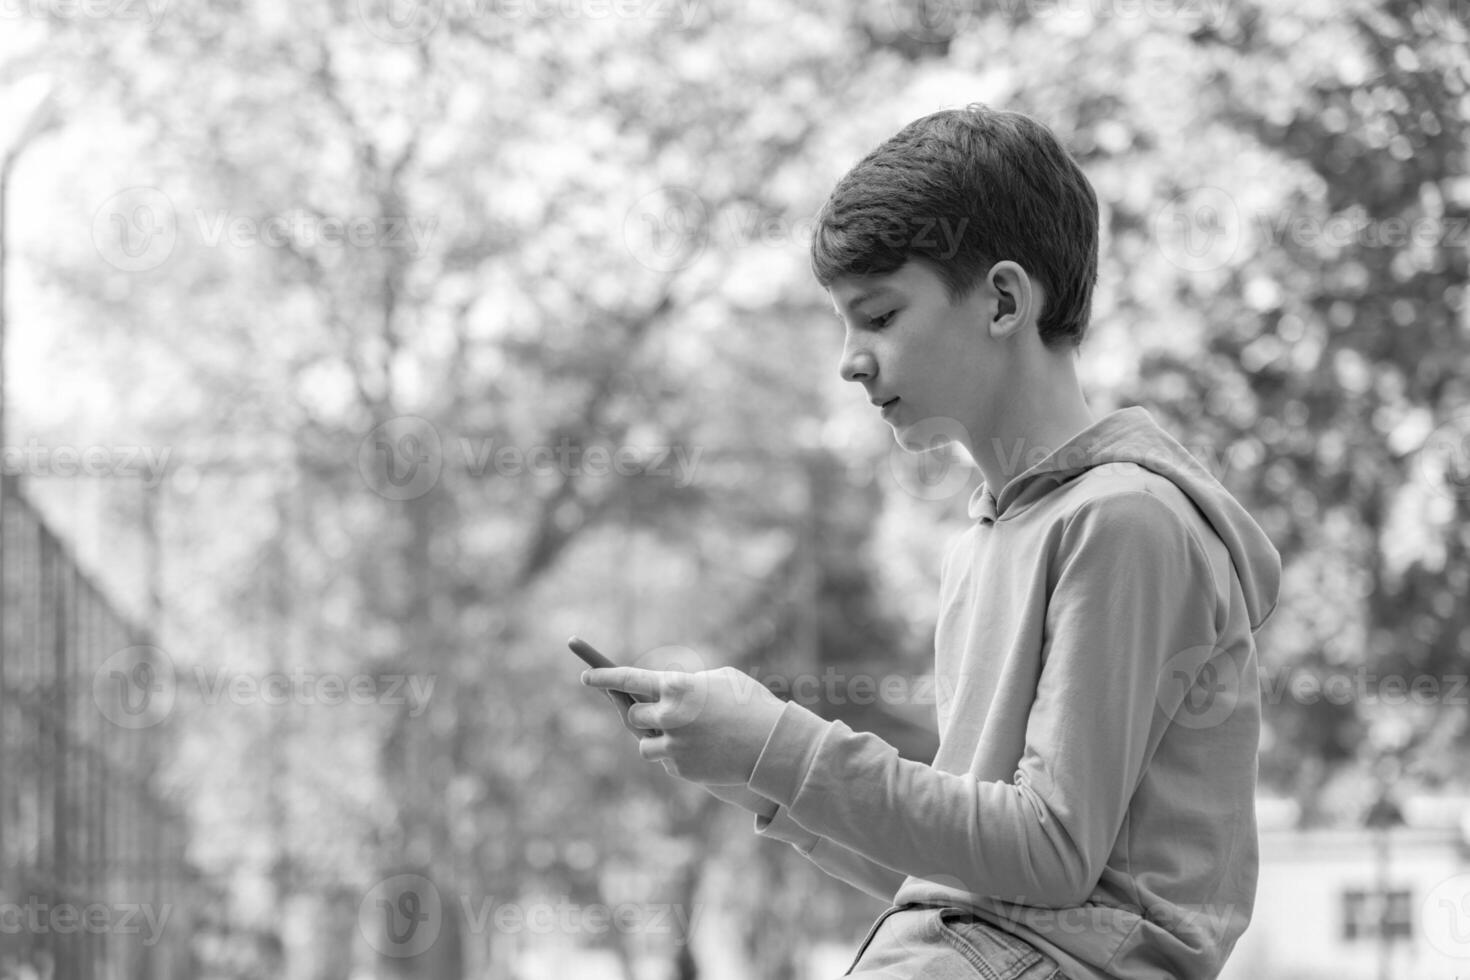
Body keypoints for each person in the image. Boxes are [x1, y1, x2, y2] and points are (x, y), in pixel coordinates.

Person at [583, 103, 1282, 979]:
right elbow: (973, 873)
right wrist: (764, 781)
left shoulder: (1125, 521)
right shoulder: (988, 539)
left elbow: (1051, 851)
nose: (849, 359)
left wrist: (780, 745)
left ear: (1000, 300)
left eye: (877, 317)